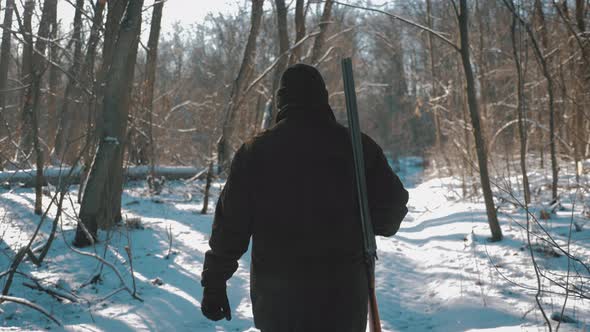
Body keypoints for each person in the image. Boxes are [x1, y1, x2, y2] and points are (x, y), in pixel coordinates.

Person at [200, 63, 408, 332]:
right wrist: (361, 220)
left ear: (281, 102)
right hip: (342, 302)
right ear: (323, 99)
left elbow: (230, 228)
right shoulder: (357, 147)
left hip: (278, 305)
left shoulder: (254, 153)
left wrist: (214, 283)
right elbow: (390, 216)